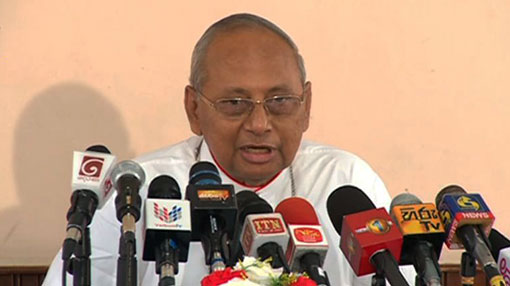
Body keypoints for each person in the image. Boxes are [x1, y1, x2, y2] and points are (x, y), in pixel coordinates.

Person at [43, 13, 415, 285]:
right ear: (194, 109)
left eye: (280, 100)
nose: (259, 123)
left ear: (307, 105)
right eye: (235, 103)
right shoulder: (140, 191)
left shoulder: (346, 182)